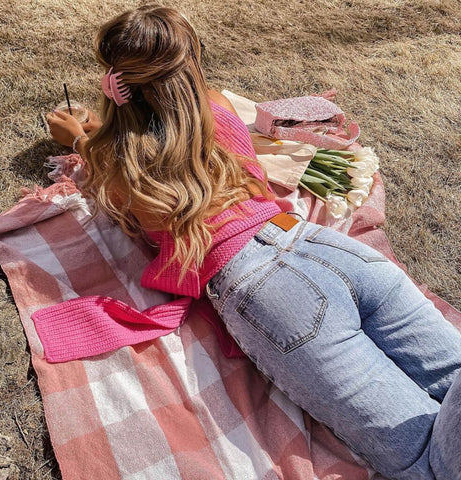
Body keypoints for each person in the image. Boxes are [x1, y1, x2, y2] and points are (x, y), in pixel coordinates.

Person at [45, 5, 461, 479]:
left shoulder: (119, 167)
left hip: (267, 294)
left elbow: (120, 179)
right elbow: (177, 130)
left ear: (115, 81)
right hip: (328, 250)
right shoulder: (217, 105)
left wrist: (82, 140)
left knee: (433, 467)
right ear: (192, 63)